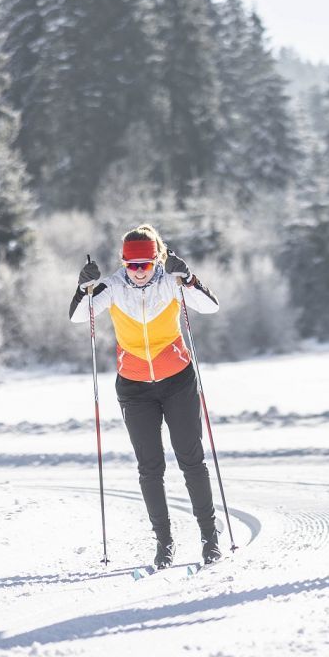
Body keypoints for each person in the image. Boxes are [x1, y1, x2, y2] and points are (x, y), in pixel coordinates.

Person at [70, 225, 222, 568]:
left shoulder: (170, 282)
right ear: (123, 262)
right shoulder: (111, 287)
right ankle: (164, 542)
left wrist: (189, 278)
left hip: (178, 381)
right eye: (132, 265)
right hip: (135, 387)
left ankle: (209, 536)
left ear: (157, 260)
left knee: (191, 460)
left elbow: (210, 307)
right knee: (150, 468)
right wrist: (82, 288)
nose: (139, 272)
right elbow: (79, 317)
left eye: (146, 264)